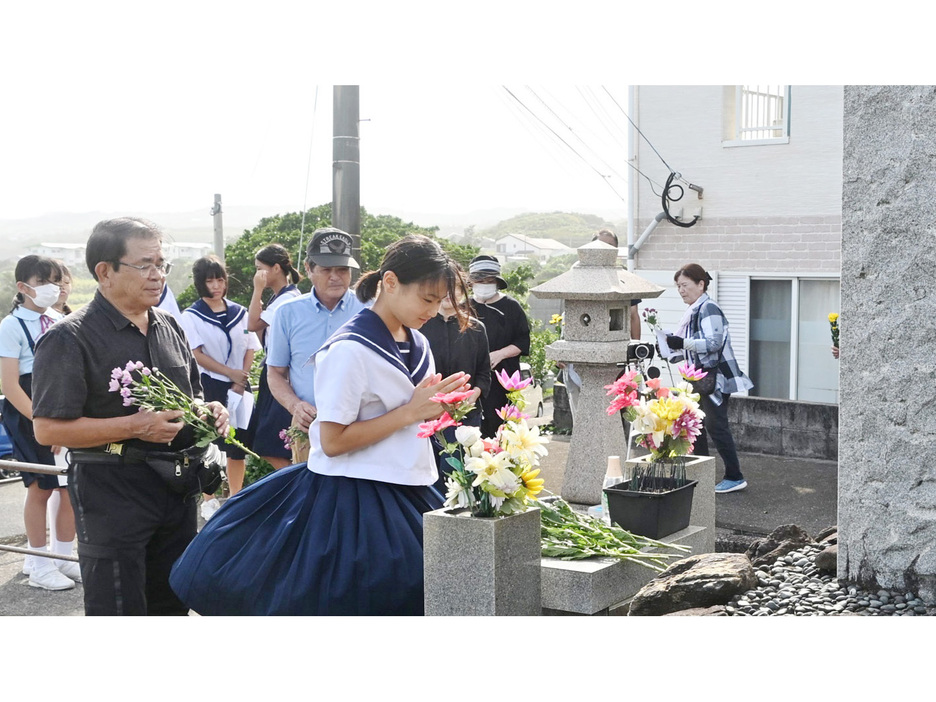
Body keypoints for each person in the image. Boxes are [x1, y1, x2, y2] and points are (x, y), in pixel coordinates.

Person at [169, 234, 478, 615]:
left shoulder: (416, 342)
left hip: (411, 486)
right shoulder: (349, 349)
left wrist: (443, 410)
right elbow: (332, 441)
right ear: (392, 283)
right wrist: (412, 412)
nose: (433, 310)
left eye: (440, 301)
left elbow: (411, 417)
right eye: (427, 299)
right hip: (355, 499)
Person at [31, 217, 229, 616]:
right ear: (105, 271)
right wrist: (137, 426)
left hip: (176, 491)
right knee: (118, 607)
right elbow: (47, 428)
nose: (157, 275)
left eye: (162, 264)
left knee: (171, 603)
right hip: (112, 496)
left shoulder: (169, 326)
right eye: (145, 265)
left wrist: (210, 413)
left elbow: (192, 397)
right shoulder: (69, 337)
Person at [0, 255, 79, 590]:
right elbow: (9, 384)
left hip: (62, 410)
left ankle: (64, 558)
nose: (53, 288)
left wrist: (65, 417)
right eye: (44, 282)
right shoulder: (10, 326)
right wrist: (44, 421)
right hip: (29, 412)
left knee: (69, 487)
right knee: (41, 487)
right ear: (23, 287)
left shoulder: (58, 319)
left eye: (55, 281)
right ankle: (39, 564)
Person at [265, 228, 367, 463]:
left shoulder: (369, 309)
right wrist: (295, 406)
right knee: (310, 497)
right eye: (326, 269)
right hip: (308, 426)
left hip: (361, 428)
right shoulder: (287, 313)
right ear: (308, 269)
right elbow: (275, 373)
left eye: (342, 269)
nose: (335, 276)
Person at [179, 255, 261, 517]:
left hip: (241, 386)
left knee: (238, 445)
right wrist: (230, 374)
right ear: (201, 283)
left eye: (220, 279)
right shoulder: (191, 316)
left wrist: (242, 378)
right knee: (209, 442)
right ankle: (210, 499)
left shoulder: (240, 312)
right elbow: (197, 354)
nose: (216, 285)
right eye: (210, 280)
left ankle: (235, 497)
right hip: (211, 386)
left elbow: (250, 347)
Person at [665, 263, 753, 494]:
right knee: (698, 426)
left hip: (716, 378)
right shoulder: (695, 310)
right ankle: (700, 474)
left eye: (685, 285)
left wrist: (681, 343)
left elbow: (713, 343)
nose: (681, 290)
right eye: (678, 286)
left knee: (716, 426)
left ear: (701, 284)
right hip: (702, 378)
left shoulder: (708, 308)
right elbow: (693, 347)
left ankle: (735, 476)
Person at [420, 284, 491, 492]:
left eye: (455, 288)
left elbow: (484, 374)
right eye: (443, 289)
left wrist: (472, 395)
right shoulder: (421, 326)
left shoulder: (476, 328)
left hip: (465, 414)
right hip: (428, 414)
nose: (449, 295)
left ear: (464, 291)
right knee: (430, 475)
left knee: (461, 475)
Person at [244, 243, 302, 470]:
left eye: (261, 268)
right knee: (269, 443)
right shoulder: (279, 299)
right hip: (273, 371)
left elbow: (251, 324)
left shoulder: (286, 301)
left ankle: (293, 483)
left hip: (281, 375)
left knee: (274, 444)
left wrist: (257, 289)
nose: (257, 275)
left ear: (276, 268)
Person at [467, 254, 531, 439]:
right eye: (480, 280)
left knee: (500, 430)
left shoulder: (511, 307)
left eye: (489, 280)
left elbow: (522, 341)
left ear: (497, 281)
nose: (484, 284)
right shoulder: (464, 307)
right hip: (471, 380)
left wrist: (500, 354)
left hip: (502, 380)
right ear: (471, 282)